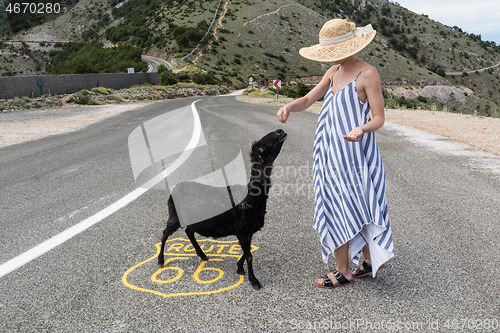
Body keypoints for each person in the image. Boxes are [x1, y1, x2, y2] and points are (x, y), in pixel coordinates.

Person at [277, 18, 394, 288]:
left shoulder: (367, 74)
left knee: (359, 205)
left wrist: (361, 129)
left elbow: (379, 118)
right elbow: (308, 99)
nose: (336, 58)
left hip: (356, 156)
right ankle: (358, 265)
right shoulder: (332, 72)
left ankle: (347, 270)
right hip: (328, 154)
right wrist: (288, 108)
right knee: (334, 204)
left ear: (352, 46)